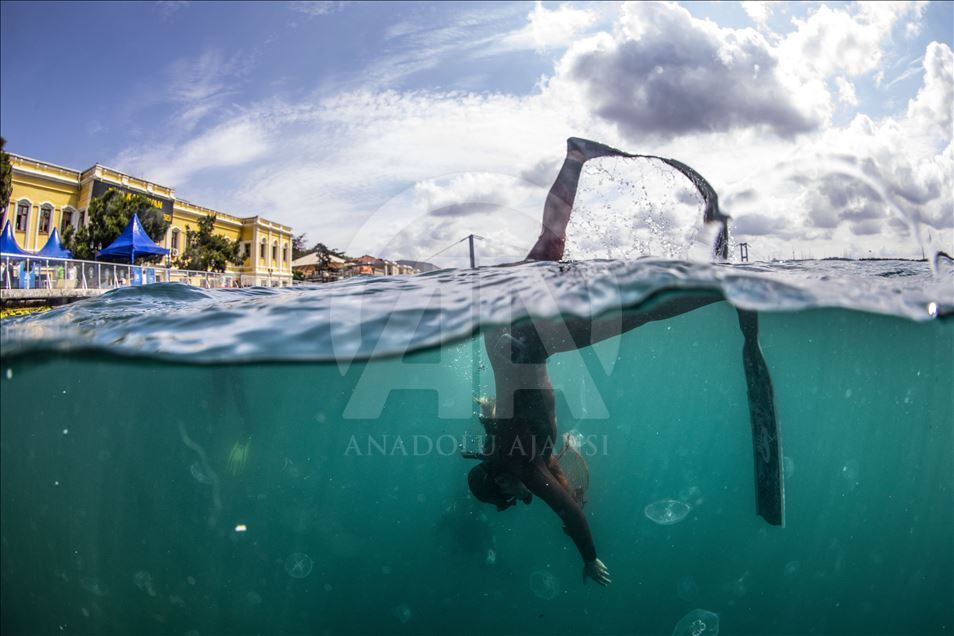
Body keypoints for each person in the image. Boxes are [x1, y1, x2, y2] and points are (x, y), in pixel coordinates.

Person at [464, 138, 725, 587]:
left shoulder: (521, 466)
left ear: (500, 483)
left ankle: (724, 286)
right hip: (502, 335)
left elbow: (569, 513)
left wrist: (588, 557)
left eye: (509, 497)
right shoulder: (511, 458)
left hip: (525, 343)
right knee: (551, 242)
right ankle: (575, 156)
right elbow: (546, 478)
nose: (519, 497)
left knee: (643, 311)